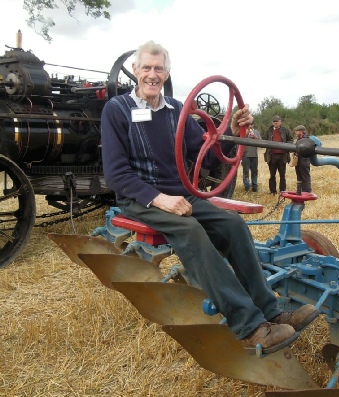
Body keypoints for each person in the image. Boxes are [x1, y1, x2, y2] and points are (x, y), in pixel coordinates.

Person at [101, 40, 319, 354]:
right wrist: (160, 199)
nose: (152, 74)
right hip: (141, 197)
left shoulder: (177, 110)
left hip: (180, 193)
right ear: (135, 71)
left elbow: (208, 155)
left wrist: (230, 132)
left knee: (232, 224)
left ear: (167, 72)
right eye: (146, 68)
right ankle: (249, 326)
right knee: (191, 232)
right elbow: (116, 174)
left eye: (158, 68)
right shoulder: (117, 110)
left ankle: (271, 311)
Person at [262, 116, 294, 195]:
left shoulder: (285, 130)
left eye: (277, 121)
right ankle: (273, 191)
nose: (275, 122)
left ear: (280, 121)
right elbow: (263, 140)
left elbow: (291, 140)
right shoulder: (268, 130)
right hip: (272, 156)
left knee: (282, 175)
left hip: (282, 156)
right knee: (272, 175)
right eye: (274, 121)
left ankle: (282, 191)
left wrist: (285, 145)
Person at [242, 122, 261, 192]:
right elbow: (239, 141)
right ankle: (247, 187)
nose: (250, 125)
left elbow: (261, 143)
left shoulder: (256, 132)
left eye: (252, 124)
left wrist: (255, 138)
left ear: (253, 125)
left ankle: (254, 187)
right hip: (245, 155)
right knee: (246, 172)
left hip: (254, 155)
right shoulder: (243, 131)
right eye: (249, 124)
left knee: (254, 172)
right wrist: (246, 133)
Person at [293, 125, 312, 192]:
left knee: (305, 177)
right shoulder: (299, 139)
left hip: (304, 160)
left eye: (297, 131)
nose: (295, 132)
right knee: (299, 177)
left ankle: (307, 192)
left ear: (301, 132)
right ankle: (299, 191)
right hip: (298, 160)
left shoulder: (306, 139)